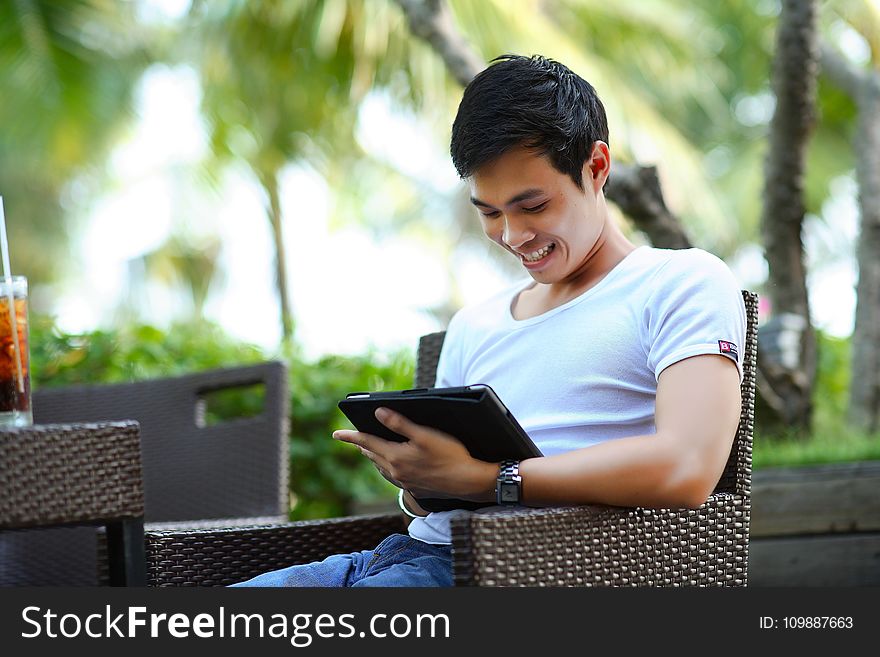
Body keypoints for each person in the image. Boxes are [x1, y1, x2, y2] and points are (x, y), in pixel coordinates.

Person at [231, 54, 746, 587]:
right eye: (490, 212)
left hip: (524, 570)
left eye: (533, 205)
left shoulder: (680, 282)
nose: (513, 235)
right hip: (401, 555)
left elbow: (687, 467)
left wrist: (490, 480)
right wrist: (417, 477)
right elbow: (429, 501)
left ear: (596, 167)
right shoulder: (475, 323)